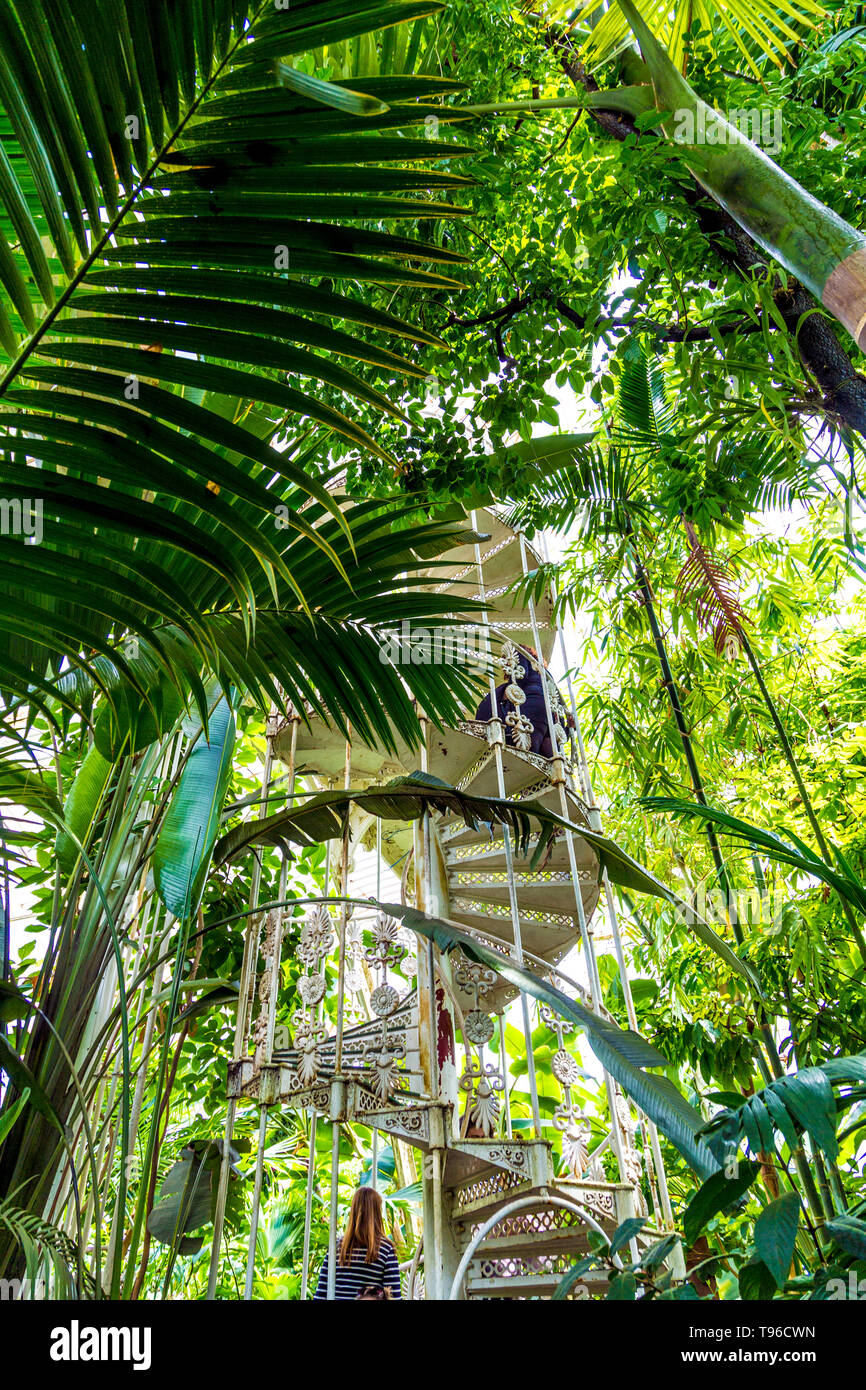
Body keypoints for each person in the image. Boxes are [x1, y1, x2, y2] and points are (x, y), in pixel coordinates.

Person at [475, 645, 574, 757]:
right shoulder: (544, 672)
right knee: (542, 750)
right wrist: (566, 728)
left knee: (526, 752)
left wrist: (506, 692)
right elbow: (555, 699)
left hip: (532, 703)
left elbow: (521, 675)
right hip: (547, 712)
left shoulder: (520, 654)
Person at [313, 1186, 402, 1300]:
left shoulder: (336, 1248)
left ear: (353, 1212)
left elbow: (321, 1294)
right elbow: (394, 1296)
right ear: (377, 1213)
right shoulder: (386, 1249)